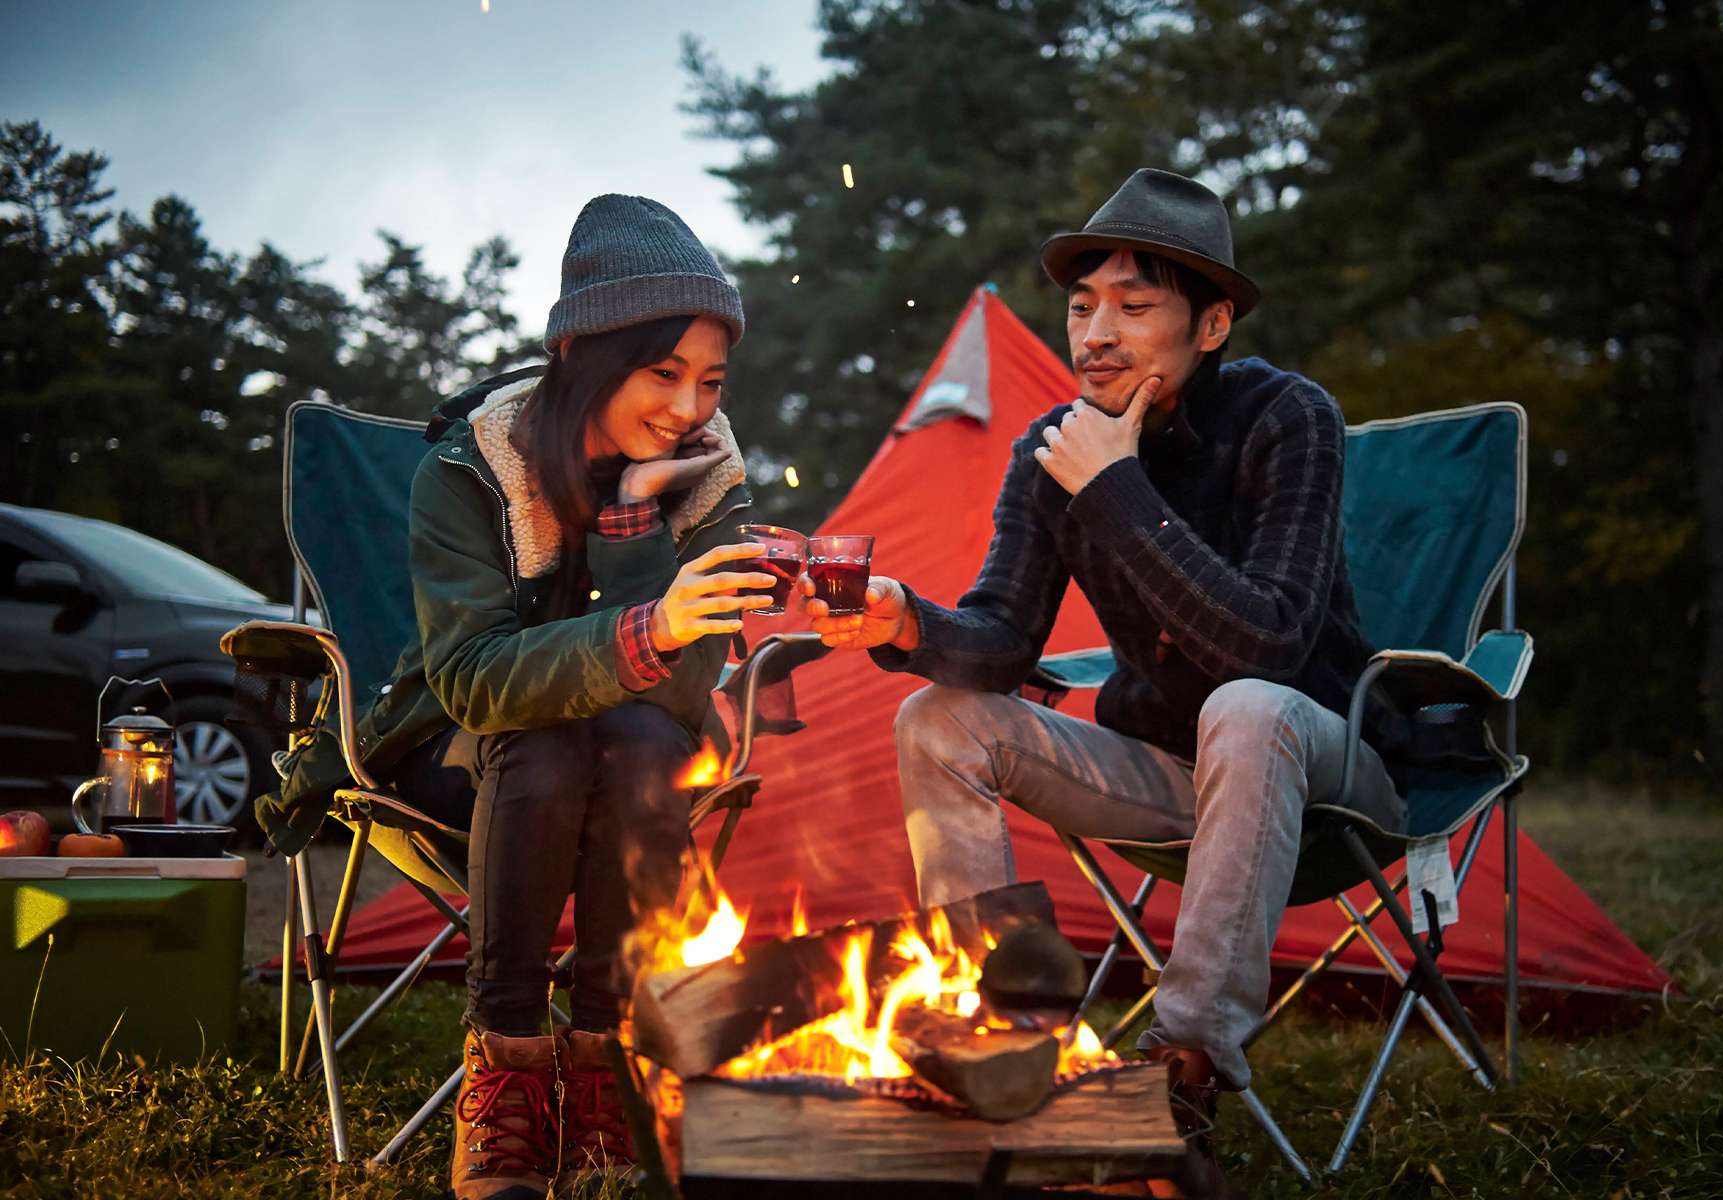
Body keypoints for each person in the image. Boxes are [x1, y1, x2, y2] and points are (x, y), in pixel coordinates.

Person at [805, 169, 1407, 1192]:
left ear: (1211, 323)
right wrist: (906, 618)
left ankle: (1183, 1068)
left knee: (1247, 707)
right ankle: (1008, 1050)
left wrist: (1118, 490)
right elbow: (999, 642)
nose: (1096, 333)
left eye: (1134, 307)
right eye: (1082, 307)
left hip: (1322, 766)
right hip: (1168, 773)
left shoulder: (1284, 417)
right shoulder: (1053, 453)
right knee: (938, 717)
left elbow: (1269, 644)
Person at [352, 194, 770, 1198]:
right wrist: (647, 623)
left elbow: (684, 683)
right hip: (461, 750)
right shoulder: (471, 470)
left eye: (711, 380)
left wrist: (635, 521)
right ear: (585, 351)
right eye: (662, 372)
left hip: (635, 755)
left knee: (627, 742)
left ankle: (596, 1060)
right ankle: (506, 1066)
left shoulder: (705, 473)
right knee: (544, 741)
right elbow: (472, 679)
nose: (688, 406)